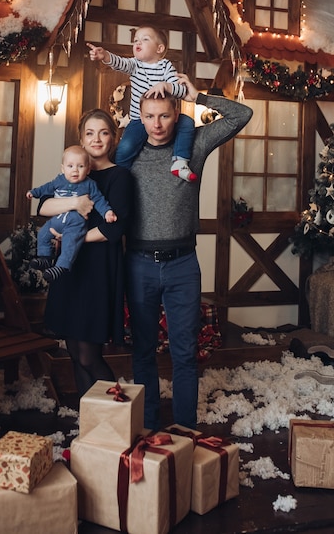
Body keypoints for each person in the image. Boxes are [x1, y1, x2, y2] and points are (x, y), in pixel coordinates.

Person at [125, 77, 253, 430]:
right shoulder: (126, 153)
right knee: (142, 352)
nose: (157, 124)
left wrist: (197, 96)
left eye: (164, 116)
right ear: (140, 117)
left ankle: (184, 430)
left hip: (183, 264)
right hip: (138, 264)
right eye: (149, 116)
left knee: (184, 354)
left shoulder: (193, 145)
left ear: (176, 114)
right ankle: (147, 427)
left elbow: (241, 114)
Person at [38, 109, 133, 398]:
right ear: (81, 138)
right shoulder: (72, 171)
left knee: (90, 355)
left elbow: (112, 230)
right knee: (74, 354)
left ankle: (118, 416)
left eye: (104, 133)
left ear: (113, 139)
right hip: (69, 271)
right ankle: (88, 423)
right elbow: (43, 207)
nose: (96, 139)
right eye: (90, 133)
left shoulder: (120, 178)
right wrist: (76, 201)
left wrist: (72, 240)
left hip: (98, 272)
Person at [87, 25, 197, 182]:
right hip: (139, 120)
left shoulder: (166, 67)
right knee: (125, 148)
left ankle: (179, 161)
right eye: (135, 40)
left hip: (163, 118)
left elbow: (181, 91)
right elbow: (119, 63)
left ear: (159, 48)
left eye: (145, 39)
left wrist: (166, 86)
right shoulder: (135, 65)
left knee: (187, 122)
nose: (138, 43)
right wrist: (104, 56)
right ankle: (119, 175)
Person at [26, 145, 117, 282]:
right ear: (63, 169)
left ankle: (62, 266)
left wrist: (107, 212)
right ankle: (45, 258)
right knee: (44, 233)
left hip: (75, 223)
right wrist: (34, 192)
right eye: (70, 166)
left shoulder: (89, 184)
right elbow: (47, 188)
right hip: (57, 220)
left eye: (80, 166)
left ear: (88, 169)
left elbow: (99, 200)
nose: (75, 170)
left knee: (70, 242)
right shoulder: (59, 180)